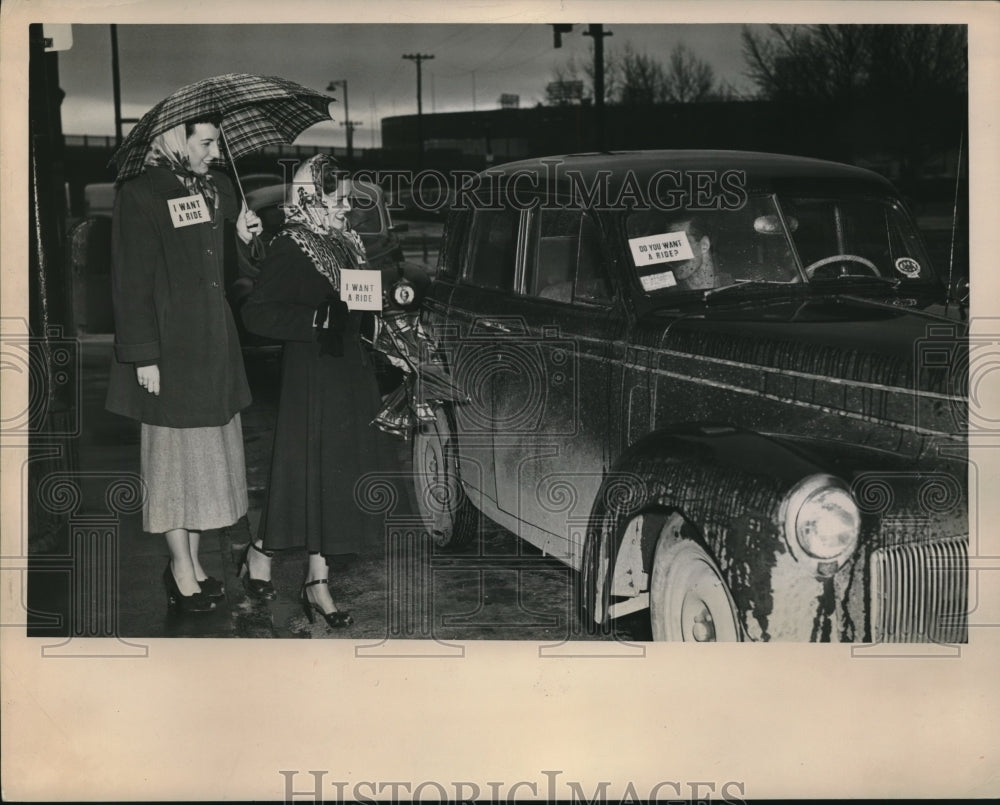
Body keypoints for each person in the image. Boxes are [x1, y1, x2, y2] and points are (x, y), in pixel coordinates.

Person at [105, 114, 263, 614]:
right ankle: (178, 570)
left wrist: (243, 234)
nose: (214, 151)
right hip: (170, 350)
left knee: (203, 467)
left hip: (212, 346)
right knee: (175, 465)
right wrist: (142, 355)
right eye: (206, 142)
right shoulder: (141, 193)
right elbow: (130, 281)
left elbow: (233, 268)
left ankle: (193, 564)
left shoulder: (217, 188)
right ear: (177, 140)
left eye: (216, 142)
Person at [240, 154, 399, 628]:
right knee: (307, 475)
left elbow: (361, 300)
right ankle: (281, 562)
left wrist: (380, 318)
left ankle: (313, 578)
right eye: (339, 197)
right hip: (311, 377)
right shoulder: (292, 245)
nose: (348, 207)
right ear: (310, 195)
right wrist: (313, 320)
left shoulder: (346, 240)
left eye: (349, 197)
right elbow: (257, 314)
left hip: (350, 373)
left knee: (336, 476)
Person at [669, 216, 729, 291]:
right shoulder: (665, 293)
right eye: (668, 246)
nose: (672, 254)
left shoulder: (732, 283)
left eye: (681, 243)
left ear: (704, 245)